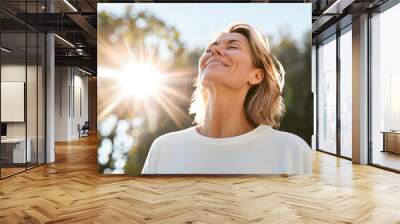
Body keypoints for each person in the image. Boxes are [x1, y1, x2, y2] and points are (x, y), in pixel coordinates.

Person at [141, 23, 312, 175]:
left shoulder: (292, 151)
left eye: (232, 47)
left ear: (256, 75)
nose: (214, 51)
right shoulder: (164, 149)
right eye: (209, 49)